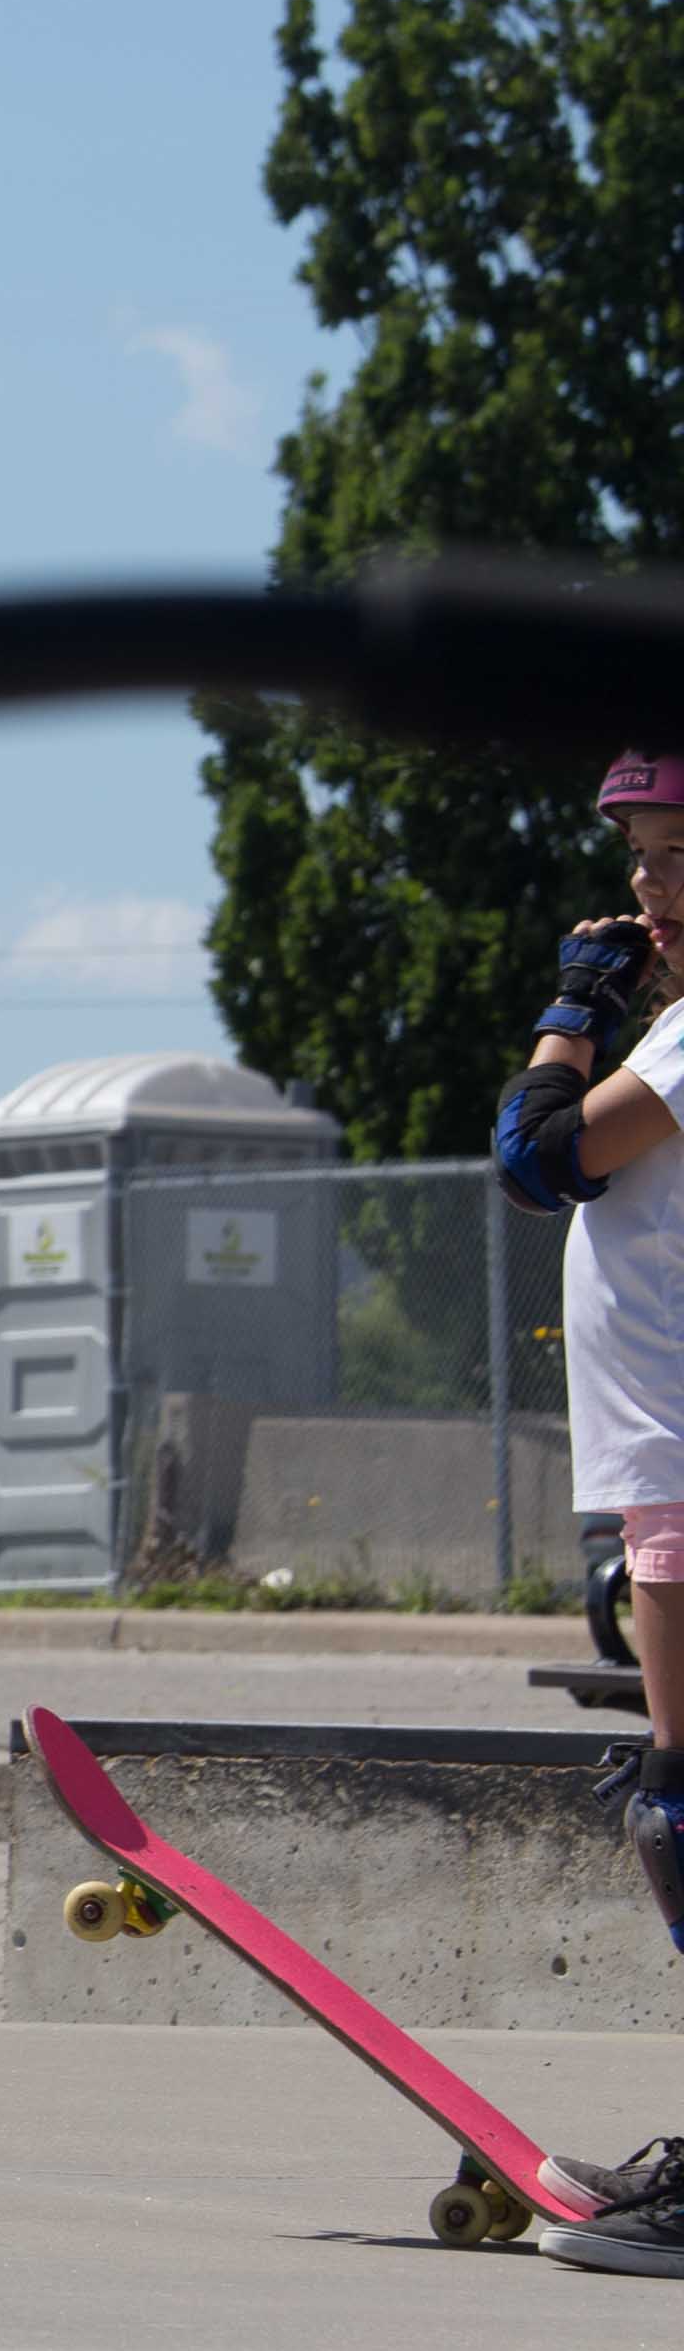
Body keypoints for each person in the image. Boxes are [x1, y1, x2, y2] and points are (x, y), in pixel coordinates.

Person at [489, 749, 684, 2272]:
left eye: (679, 859)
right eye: (641, 859)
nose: (646, 891)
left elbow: (539, 1155)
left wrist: (570, 1009)